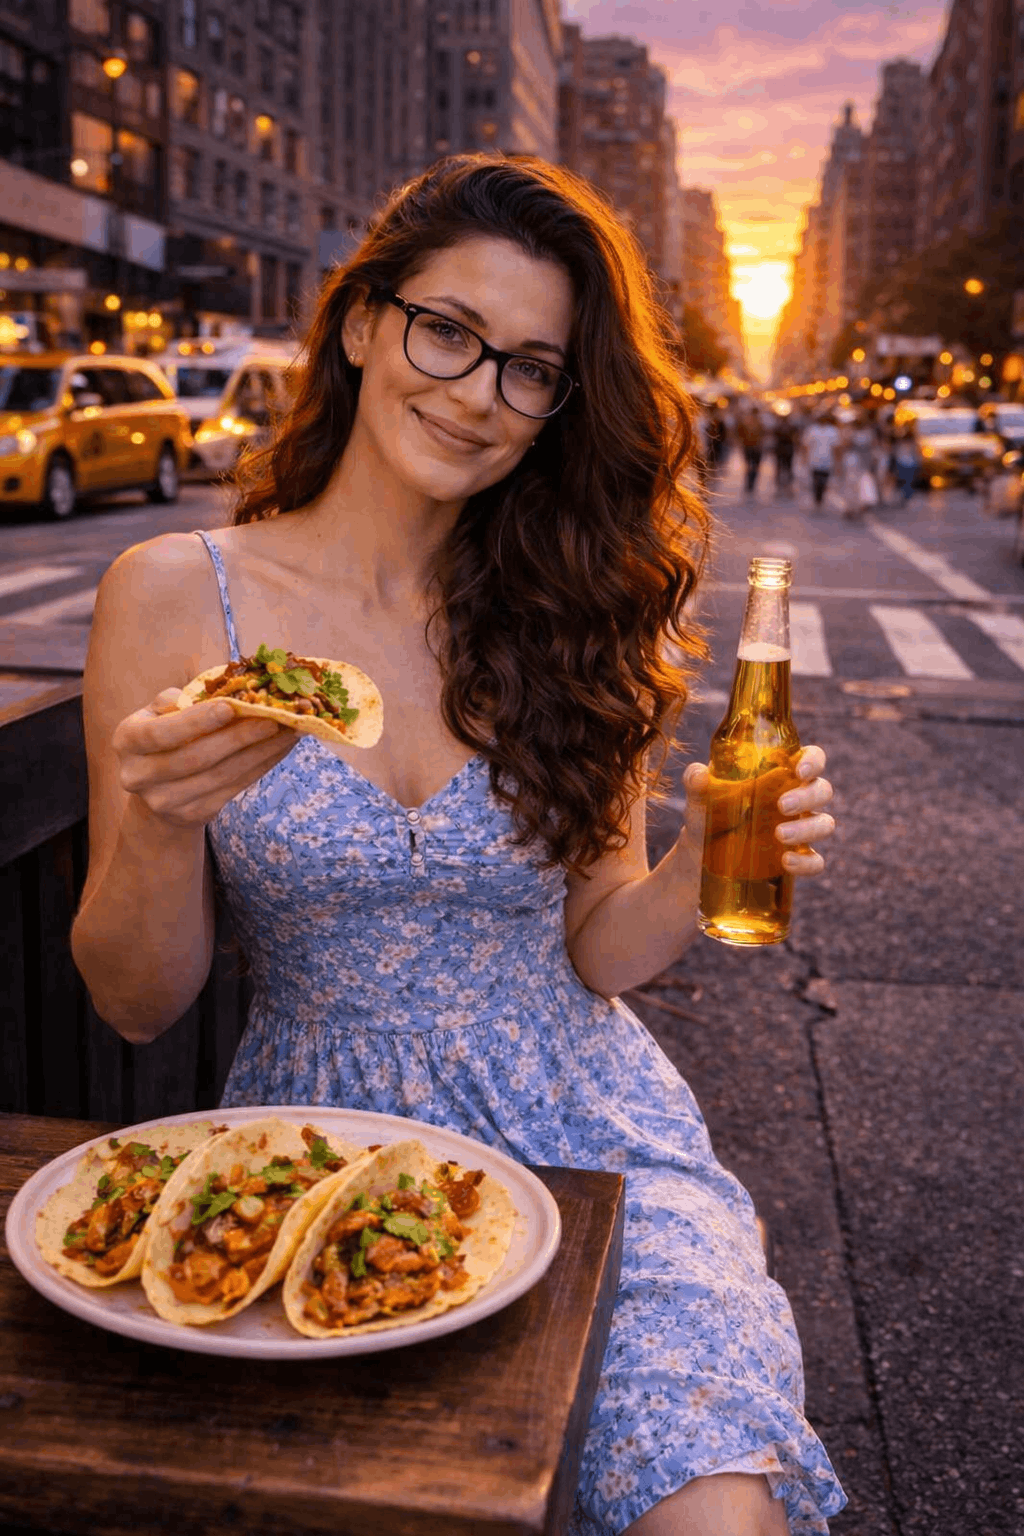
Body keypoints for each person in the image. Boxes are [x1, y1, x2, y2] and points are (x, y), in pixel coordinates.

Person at [71, 155, 844, 1536]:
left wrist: (697, 863)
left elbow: (600, 943)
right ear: (364, 324)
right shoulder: (179, 597)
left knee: (713, 1508)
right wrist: (157, 817)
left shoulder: (574, 614)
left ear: (557, 408)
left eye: (530, 368)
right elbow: (136, 999)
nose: (477, 392)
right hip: (318, 1141)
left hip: (589, 1126)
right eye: (447, 332)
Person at [801, 412, 840, 510]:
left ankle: (820, 498)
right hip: (814, 459)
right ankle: (817, 499)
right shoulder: (812, 430)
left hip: (827, 460)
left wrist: (837, 460)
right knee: (816, 480)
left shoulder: (832, 431)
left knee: (824, 481)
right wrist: (804, 457)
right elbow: (806, 445)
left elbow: (835, 447)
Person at [736, 405, 765, 493]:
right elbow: (740, 433)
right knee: (751, 466)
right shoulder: (749, 422)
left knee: (753, 466)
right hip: (750, 447)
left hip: (754, 447)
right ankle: (750, 482)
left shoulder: (758, 423)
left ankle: (751, 482)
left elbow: (763, 435)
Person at [890, 425, 920, 503]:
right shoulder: (901, 444)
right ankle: (905, 495)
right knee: (906, 481)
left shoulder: (911, 445)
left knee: (907, 481)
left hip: (907, 464)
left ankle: (906, 495)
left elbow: (916, 454)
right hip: (905, 464)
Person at [771, 410, 799, 491]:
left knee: (781, 466)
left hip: (781, 449)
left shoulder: (778, 427)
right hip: (787, 449)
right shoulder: (791, 427)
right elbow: (796, 438)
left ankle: (780, 483)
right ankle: (787, 483)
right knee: (788, 466)